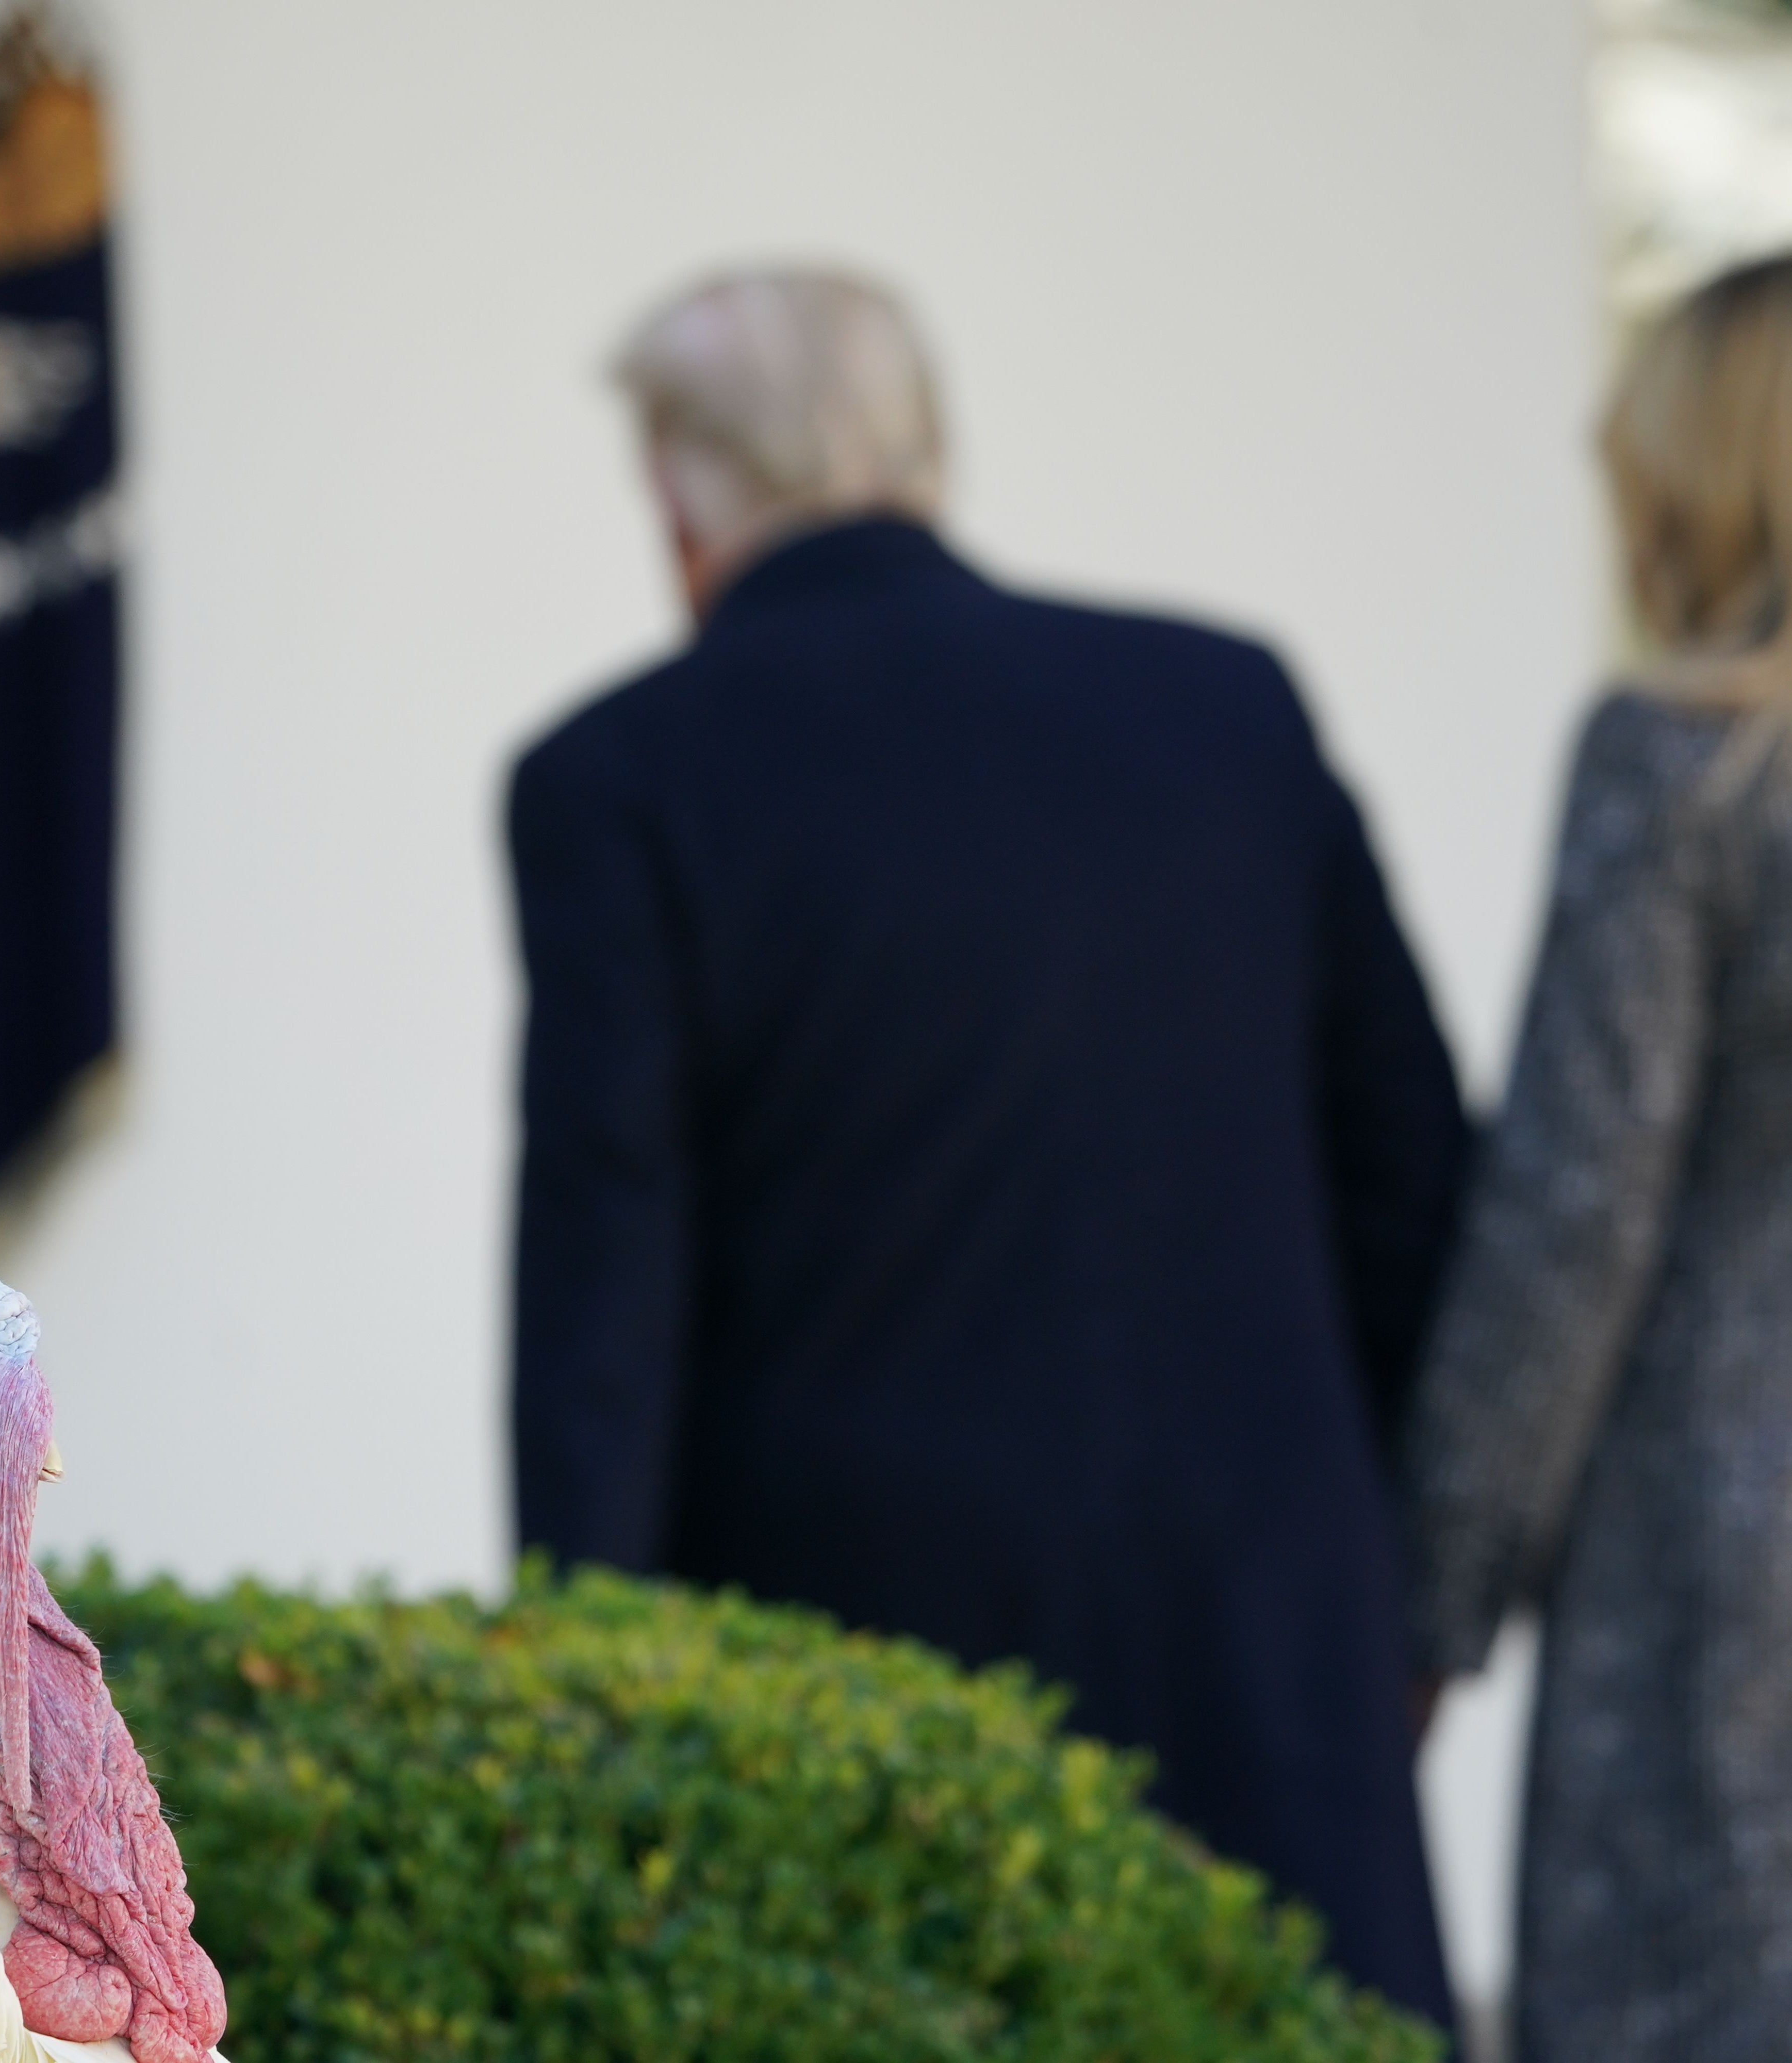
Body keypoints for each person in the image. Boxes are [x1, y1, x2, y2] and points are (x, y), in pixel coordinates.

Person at [505, 269, 1467, 2027]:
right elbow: (1415, 1179)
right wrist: (1393, 1589)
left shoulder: (620, 780)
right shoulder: (1226, 710)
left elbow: (605, 1315)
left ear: (677, 499)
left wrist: (588, 1707)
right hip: (1267, 1669)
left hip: (861, 1713)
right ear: (926, 451)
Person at [1404, 249, 1792, 2062]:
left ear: (1711, 475)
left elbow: (1573, 1211)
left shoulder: (1681, 765)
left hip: (1731, 1582)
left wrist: (1429, 1597)